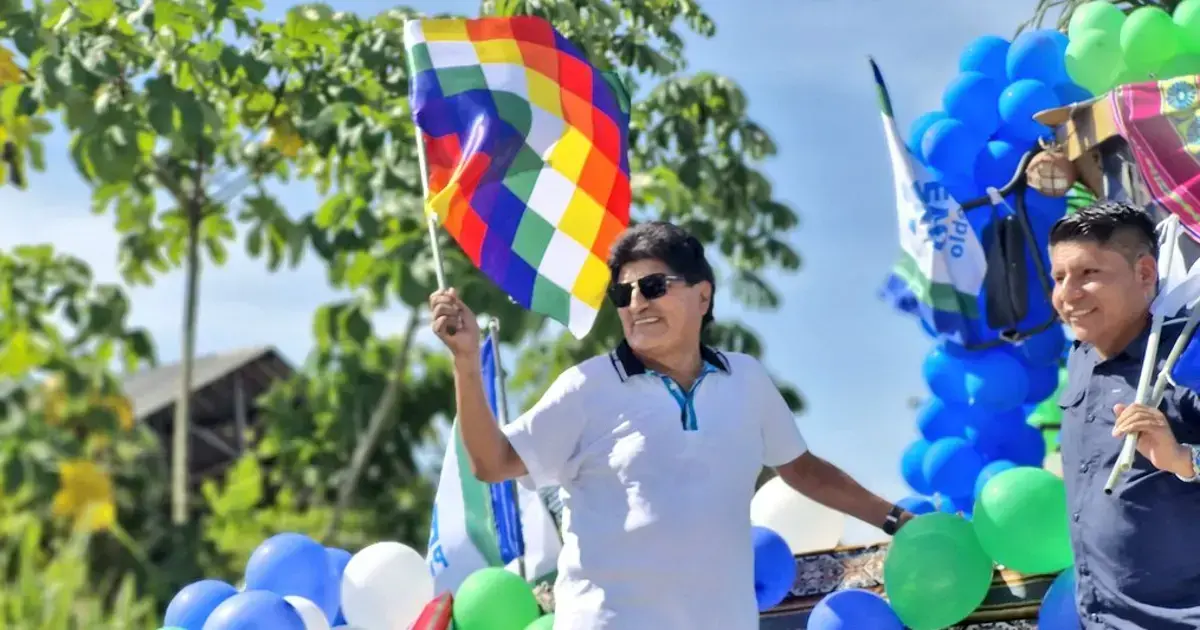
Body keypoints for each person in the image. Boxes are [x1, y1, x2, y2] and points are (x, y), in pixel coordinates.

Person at [429, 221, 914, 630]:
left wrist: (896, 521)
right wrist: (467, 364)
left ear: (703, 296)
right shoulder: (585, 387)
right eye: (623, 292)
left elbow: (802, 470)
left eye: (654, 286)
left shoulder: (746, 379)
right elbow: (491, 464)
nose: (637, 301)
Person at [1048, 201, 1200, 629]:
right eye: (1059, 277)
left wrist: (1183, 459)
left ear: (1146, 274)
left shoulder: (1187, 357)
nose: (1068, 294)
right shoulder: (1080, 358)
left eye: (1089, 274)